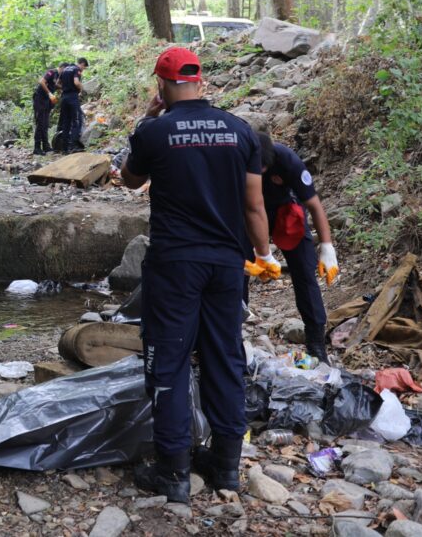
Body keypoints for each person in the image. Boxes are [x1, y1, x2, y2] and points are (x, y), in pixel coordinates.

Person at [118, 47, 269, 503]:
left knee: (168, 361)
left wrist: (147, 120)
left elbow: (128, 179)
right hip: (227, 265)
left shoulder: (155, 131)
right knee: (225, 357)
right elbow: (254, 205)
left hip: (175, 264)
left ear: (161, 86)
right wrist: (264, 254)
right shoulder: (240, 131)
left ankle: (174, 472)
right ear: (201, 83)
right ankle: (226, 468)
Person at [248, 131, 339, 362]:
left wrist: (327, 247)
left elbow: (315, 206)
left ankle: (316, 343)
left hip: (284, 212)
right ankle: (231, 329)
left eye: (263, 172)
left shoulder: (288, 161)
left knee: (305, 273)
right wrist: (259, 252)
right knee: (237, 265)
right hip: (247, 213)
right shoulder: (236, 159)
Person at [54, 58, 88, 153]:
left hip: (64, 97)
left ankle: (65, 149)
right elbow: (76, 82)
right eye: (84, 67)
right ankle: (74, 146)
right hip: (73, 97)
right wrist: (82, 89)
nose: (83, 70)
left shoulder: (65, 69)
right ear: (81, 64)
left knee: (66, 122)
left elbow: (57, 83)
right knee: (77, 121)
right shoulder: (76, 69)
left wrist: (65, 88)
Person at [31, 65, 59, 155]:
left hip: (47, 101)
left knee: (45, 123)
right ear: (63, 68)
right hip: (39, 99)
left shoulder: (58, 76)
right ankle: (37, 147)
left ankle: (46, 146)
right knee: (40, 123)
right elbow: (42, 81)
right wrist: (50, 93)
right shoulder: (52, 72)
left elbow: (55, 85)